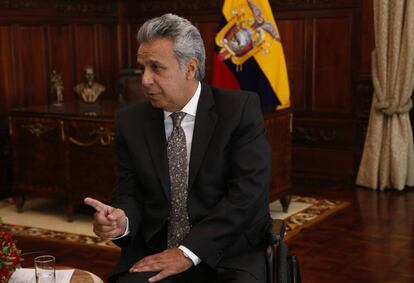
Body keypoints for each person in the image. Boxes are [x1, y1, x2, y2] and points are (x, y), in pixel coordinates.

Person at [84, 13, 272, 283]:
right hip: (157, 249)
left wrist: (187, 252)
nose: (145, 79)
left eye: (156, 68)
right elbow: (130, 191)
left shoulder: (239, 110)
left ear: (190, 68)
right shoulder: (130, 122)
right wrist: (121, 220)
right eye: (142, 68)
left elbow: (247, 196)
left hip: (227, 252)